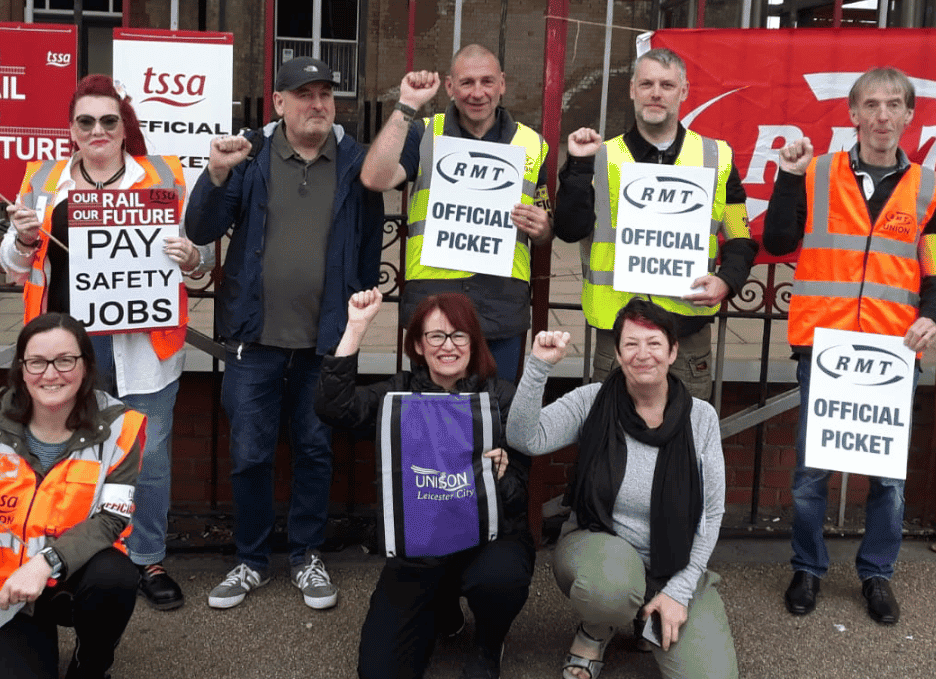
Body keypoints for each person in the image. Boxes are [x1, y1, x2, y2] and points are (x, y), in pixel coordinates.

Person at [0, 74, 213, 611]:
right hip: (66, 355)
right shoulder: (45, 181)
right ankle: (72, 555)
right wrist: (25, 238)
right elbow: (11, 266)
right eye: (85, 121)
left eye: (109, 120)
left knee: (150, 459)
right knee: (67, 455)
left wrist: (193, 259)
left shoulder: (162, 176)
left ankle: (146, 558)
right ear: (71, 129)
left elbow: (199, 259)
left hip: (144, 350)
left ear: (124, 127)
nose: (98, 130)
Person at [184, 56, 384, 609]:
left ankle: (307, 556)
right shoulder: (248, 156)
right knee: (250, 454)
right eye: (303, 94)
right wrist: (217, 173)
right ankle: (250, 561)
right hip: (254, 340)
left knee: (316, 450)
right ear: (278, 102)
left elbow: (368, 246)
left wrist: (359, 306)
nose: (316, 104)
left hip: (324, 342)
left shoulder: (356, 164)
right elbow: (201, 228)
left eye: (325, 94)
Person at [763, 67, 936, 626]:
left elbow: (933, 274)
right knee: (813, 471)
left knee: (888, 477)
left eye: (893, 105)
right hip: (824, 344)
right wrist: (787, 178)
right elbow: (780, 241)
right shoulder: (814, 174)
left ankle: (876, 574)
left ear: (911, 114)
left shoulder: (929, 188)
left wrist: (931, 317)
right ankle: (808, 566)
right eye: (871, 105)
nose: (882, 116)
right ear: (853, 115)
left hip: (892, 348)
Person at [507, 299, 736, 679]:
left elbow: (711, 514)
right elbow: (524, 437)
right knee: (609, 588)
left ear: (673, 350)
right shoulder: (593, 401)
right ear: (617, 351)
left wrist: (680, 590)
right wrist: (538, 367)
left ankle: (649, 605)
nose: (642, 354)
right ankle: (596, 630)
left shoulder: (701, 418)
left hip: (671, 563)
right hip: (600, 550)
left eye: (654, 343)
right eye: (630, 344)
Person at [314, 289, 533, 679]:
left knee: (501, 578)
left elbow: (519, 499)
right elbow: (335, 408)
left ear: (473, 341)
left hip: (488, 545)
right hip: (421, 552)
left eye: (459, 335)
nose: (448, 346)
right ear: (418, 343)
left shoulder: (499, 398)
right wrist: (356, 327)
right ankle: (442, 609)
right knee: (378, 672)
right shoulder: (399, 396)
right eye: (436, 336)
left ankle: (488, 644)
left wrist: (500, 477)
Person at [0, 312, 146, 679]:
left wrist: (45, 562)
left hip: (71, 577)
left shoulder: (121, 428)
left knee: (116, 576)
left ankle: (89, 666)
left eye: (65, 360)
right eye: (37, 362)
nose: (50, 374)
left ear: (86, 365)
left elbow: (112, 519)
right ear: (21, 367)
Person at [554, 47, 758, 400]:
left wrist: (728, 281)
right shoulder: (600, 156)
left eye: (667, 84)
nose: (656, 93)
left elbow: (740, 235)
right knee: (611, 441)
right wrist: (577, 168)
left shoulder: (717, 157)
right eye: (646, 83)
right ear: (632, 89)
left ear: (684, 91)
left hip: (686, 331)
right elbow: (570, 229)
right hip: (617, 330)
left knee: (684, 443)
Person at [359, 44, 551, 383]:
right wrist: (407, 105)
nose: (477, 93)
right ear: (450, 87)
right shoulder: (423, 133)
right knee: (435, 419)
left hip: (501, 308)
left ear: (502, 84)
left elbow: (545, 216)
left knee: (496, 418)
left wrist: (542, 228)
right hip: (434, 309)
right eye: (466, 83)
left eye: (487, 82)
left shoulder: (532, 144)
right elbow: (374, 178)